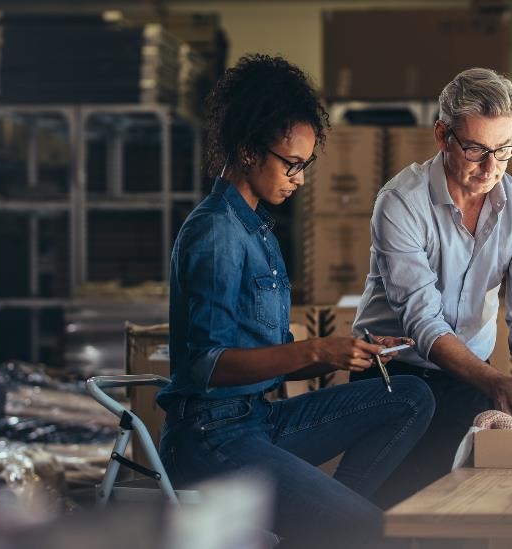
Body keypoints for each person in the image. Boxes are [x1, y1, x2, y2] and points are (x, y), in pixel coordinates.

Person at [156, 54, 435, 548]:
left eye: (305, 165)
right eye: (292, 164)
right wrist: (316, 351)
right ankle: (338, 527)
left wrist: (352, 348)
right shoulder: (217, 232)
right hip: (210, 439)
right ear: (246, 150)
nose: (299, 179)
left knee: (410, 395)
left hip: (257, 420)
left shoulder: (258, 229)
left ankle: (325, 525)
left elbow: (274, 361)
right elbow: (205, 366)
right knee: (374, 531)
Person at [351, 67, 512, 507]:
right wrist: (493, 382)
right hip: (391, 371)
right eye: (475, 150)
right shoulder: (401, 202)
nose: (491, 168)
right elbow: (423, 322)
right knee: (382, 507)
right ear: (442, 136)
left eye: (504, 150)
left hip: (471, 371)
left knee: (460, 502)